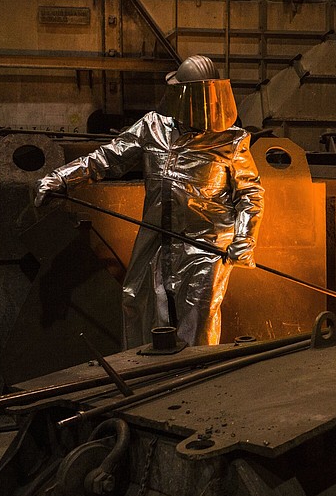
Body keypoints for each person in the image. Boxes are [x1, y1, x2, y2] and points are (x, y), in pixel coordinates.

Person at [34, 55, 264, 348]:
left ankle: (196, 386)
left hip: (206, 247)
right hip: (156, 240)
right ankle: (148, 380)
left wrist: (245, 238)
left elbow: (250, 193)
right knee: (140, 307)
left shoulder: (230, 141)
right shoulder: (152, 128)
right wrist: (62, 178)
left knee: (197, 322)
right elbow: (106, 158)